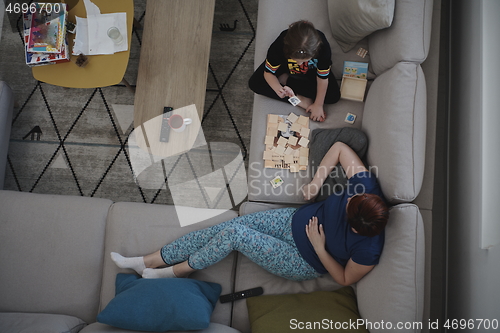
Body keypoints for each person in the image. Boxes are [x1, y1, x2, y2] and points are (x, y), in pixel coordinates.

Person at [111, 142, 389, 286]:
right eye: (352, 196)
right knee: (222, 230)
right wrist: (316, 183)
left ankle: (176, 271)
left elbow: (343, 278)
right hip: (290, 221)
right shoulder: (366, 188)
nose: (349, 194)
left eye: (349, 201)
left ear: (354, 229)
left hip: (302, 260)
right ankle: (146, 260)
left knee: (234, 234)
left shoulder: (368, 249)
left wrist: (320, 247)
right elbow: (340, 149)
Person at [248, 20, 340, 122]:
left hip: (312, 71)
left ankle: (286, 80)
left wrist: (318, 105)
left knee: (333, 96)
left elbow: (322, 78)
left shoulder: (323, 47)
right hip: (284, 67)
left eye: (304, 61)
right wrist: (279, 89)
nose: (299, 64)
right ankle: (300, 99)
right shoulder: (279, 46)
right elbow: (268, 73)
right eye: (296, 61)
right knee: (255, 83)